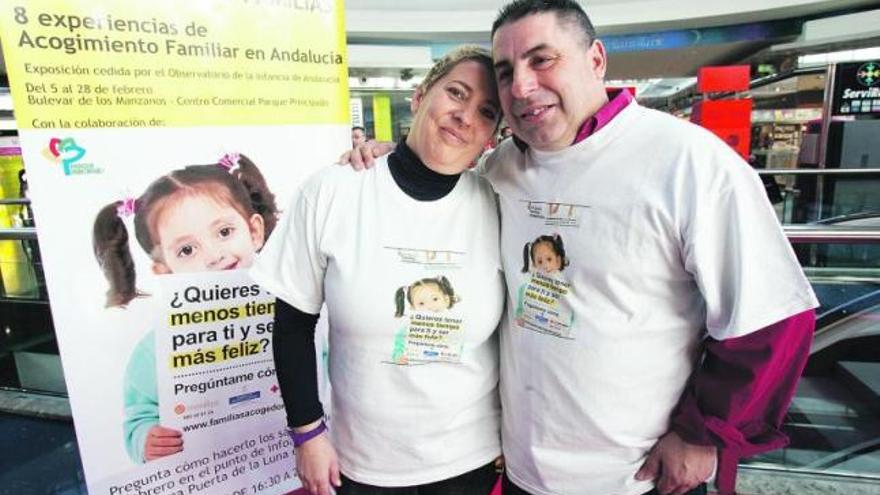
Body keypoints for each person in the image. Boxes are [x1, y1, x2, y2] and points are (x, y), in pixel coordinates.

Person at [342, 1, 818, 494]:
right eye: (505, 72)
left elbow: (773, 317)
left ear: (595, 59)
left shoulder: (688, 162)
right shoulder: (502, 167)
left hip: (638, 476)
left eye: (542, 60)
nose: (521, 87)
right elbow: (434, 183)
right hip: (525, 473)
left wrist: (703, 436)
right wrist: (389, 158)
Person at [250, 45, 505, 495]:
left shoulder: (498, 202)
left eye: (485, 111)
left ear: (491, 134)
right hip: (363, 463)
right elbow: (292, 326)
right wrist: (307, 434)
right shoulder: (334, 191)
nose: (465, 116)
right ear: (421, 93)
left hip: (472, 457)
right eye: (456, 94)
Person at [92, 154, 279, 463]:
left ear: (254, 231)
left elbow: (327, 372)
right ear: (165, 270)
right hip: (214, 473)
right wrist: (145, 439)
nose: (214, 255)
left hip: (290, 465)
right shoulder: (155, 349)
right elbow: (139, 417)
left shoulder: (293, 311)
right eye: (187, 250)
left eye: (223, 232)